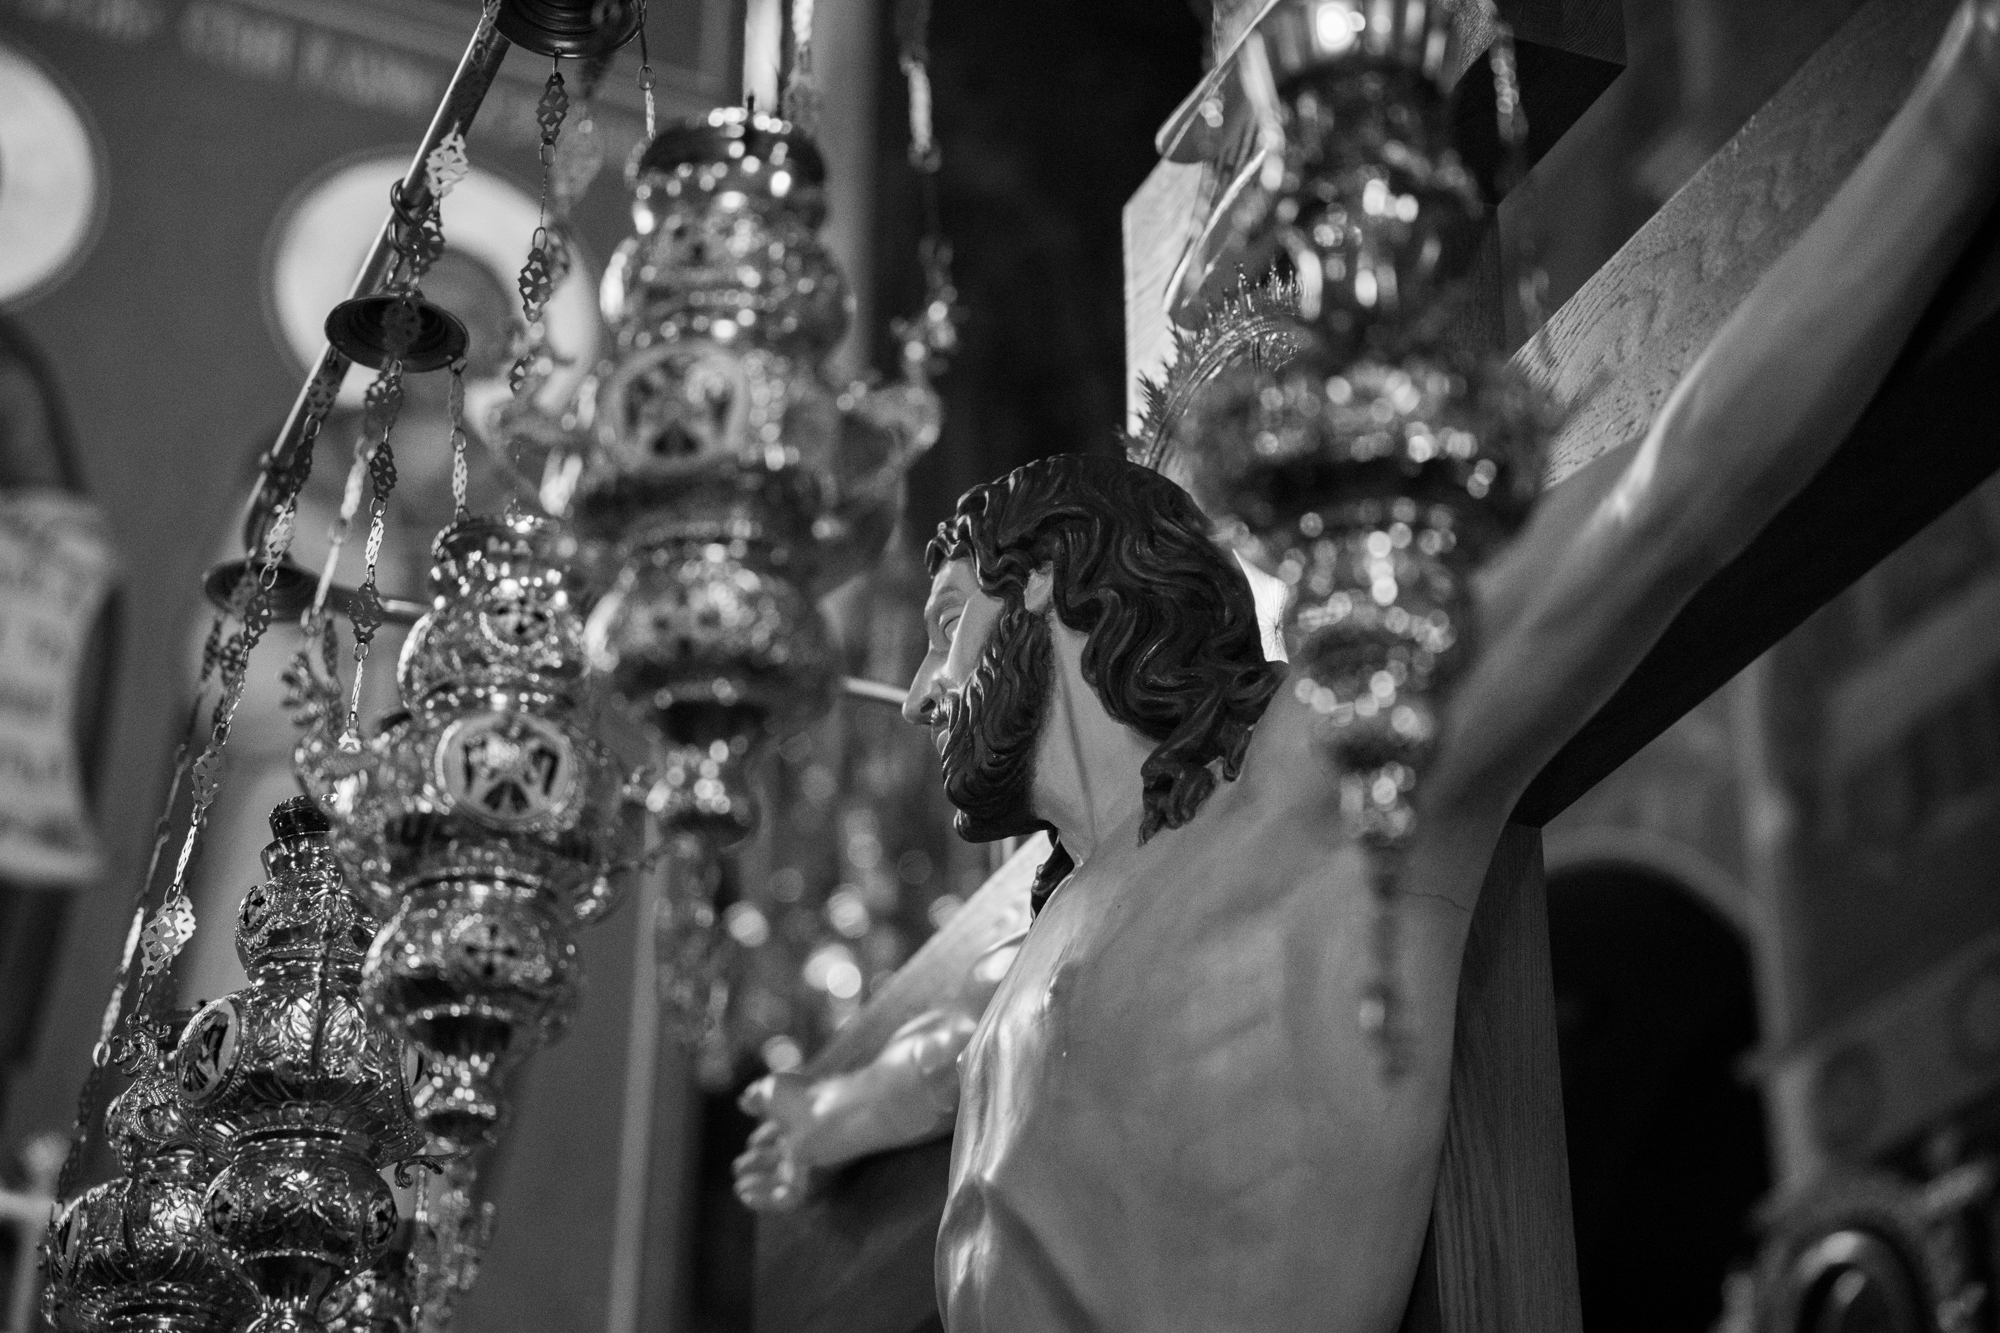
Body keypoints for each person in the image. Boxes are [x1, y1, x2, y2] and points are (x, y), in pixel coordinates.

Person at [739, 3, 2000, 1327]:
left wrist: (1961, 121)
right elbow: (951, 1056)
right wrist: (830, 1114)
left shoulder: (1325, 769)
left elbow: (1670, 498)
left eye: (947, 623)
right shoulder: (1053, 933)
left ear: (1046, 578)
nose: (923, 693)